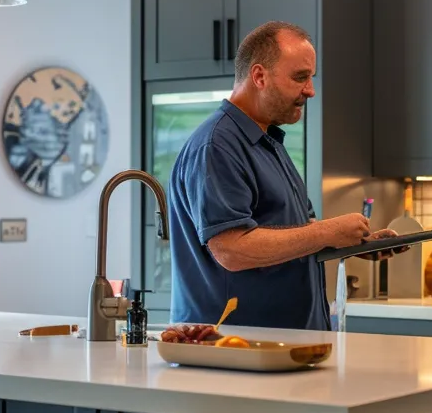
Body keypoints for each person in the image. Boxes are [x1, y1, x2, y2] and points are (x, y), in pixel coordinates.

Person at [168, 21, 399, 330]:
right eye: (300, 77)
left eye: (311, 78)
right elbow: (231, 249)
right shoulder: (218, 145)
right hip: (236, 345)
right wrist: (326, 232)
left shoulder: (267, 142)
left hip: (281, 343)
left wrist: (352, 243)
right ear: (259, 76)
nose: (310, 90)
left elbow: (291, 233)